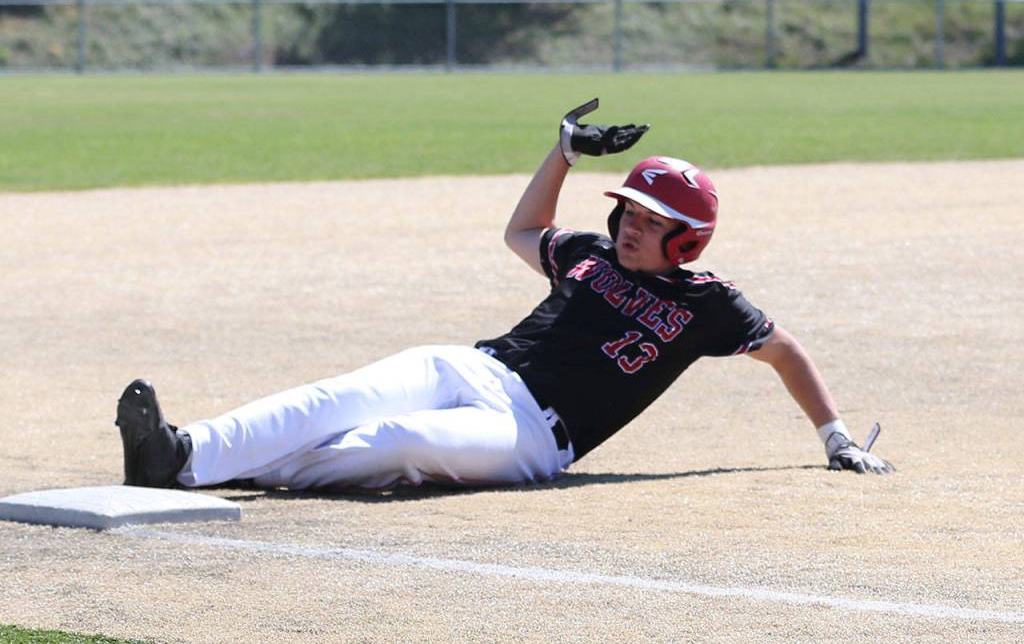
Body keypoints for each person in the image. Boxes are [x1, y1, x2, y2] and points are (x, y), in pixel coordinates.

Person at [115, 99, 894, 492]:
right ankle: (180, 454)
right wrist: (563, 154)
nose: (630, 224)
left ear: (688, 241)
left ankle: (241, 467)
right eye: (628, 210)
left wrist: (835, 438)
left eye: (651, 220)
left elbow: (785, 351)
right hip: (474, 367)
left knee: (395, 442)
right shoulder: (590, 253)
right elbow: (524, 231)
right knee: (338, 397)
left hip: (533, 438)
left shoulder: (709, 304)